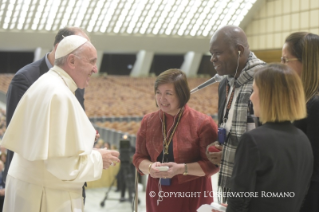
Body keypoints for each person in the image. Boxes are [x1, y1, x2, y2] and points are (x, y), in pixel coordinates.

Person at [0, 35, 120, 211]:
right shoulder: (59, 94)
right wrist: (98, 158)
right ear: (71, 61)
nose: (95, 69)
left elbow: (49, 151)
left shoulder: (47, 83)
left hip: (30, 190)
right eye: (92, 61)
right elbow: (62, 166)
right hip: (46, 197)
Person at [4, 26, 90, 201]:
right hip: (35, 186)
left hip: (70, 181)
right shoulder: (25, 79)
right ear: (60, 49)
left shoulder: (75, 81)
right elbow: (19, 139)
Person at [226, 64, 313, 212]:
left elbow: (238, 200)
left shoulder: (253, 140)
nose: (251, 97)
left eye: (254, 90)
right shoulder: (303, 139)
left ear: (268, 95)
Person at [133, 69, 219, 212]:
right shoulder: (148, 121)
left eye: (168, 93)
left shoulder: (203, 123)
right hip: (158, 193)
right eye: (158, 93)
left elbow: (212, 165)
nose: (161, 98)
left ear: (182, 94)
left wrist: (181, 169)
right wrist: (150, 168)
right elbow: (138, 158)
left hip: (192, 193)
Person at [206, 25, 265, 201]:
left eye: (217, 53)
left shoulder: (267, 80)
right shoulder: (225, 83)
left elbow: (273, 142)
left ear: (239, 50)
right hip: (230, 181)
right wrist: (218, 147)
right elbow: (227, 126)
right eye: (211, 53)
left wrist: (233, 155)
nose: (212, 59)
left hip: (258, 186)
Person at [282, 32, 319, 212]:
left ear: (307, 62)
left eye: (285, 60)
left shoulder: (315, 105)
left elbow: (314, 169)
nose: (281, 66)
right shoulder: (304, 101)